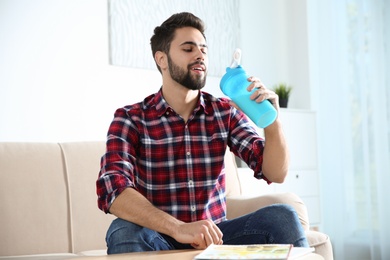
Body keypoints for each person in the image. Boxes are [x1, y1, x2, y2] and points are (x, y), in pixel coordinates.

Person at [96, 12, 309, 254]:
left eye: (204, 50)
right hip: (159, 238)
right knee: (122, 230)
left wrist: (273, 122)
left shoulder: (224, 112)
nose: (200, 55)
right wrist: (178, 228)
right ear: (162, 59)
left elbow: (275, 172)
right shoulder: (131, 118)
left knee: (282, 216)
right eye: (188, 48)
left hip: (217, 238)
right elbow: (114, 190)